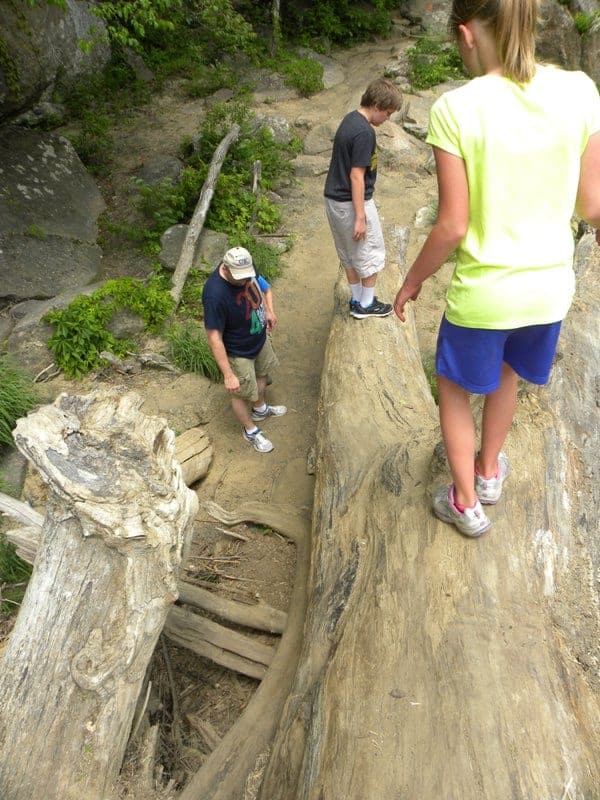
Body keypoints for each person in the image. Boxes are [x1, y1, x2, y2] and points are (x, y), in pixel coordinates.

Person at [393, 0, 600, 537]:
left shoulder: (455, 108)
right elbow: (592, 206)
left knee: (455, 388)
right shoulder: (579, 90)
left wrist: (412, 280)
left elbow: (452, 227)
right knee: (508, 372)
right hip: (550, 289)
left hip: (486, 294)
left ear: (466, 35)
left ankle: (465, 503)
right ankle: (488, 473)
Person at [324, 77, 403, 319]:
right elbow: (357, 176)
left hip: (334, 199)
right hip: (351, 202)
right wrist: (360, 217)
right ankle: (367, 305)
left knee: (348, 253)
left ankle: (357, 299)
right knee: (371, 252)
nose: (387, 119)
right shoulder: (363, 133)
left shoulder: (351, 119)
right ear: (377, 105)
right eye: (387, 113)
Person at [202, 246, 286, 453]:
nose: (244, 281)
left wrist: (269, 311)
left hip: (258, 338)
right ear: (226, 268)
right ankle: (250, 430)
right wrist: (228, 374)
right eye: (239, 278)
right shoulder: (215, 294)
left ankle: (260, 409)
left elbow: (264, 288)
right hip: (237, 351)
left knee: (263, 373)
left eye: (246, 276)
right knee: (239, 393)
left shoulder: (245, 267)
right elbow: (214, 337)